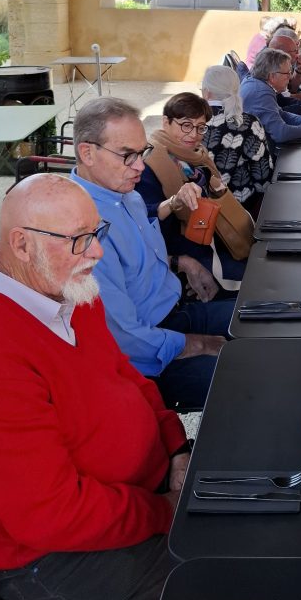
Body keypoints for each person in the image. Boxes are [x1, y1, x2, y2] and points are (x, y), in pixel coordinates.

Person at [0, 174, 188, 600]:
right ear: (22, 245)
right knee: (222, 578)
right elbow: (50, 514)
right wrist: (164, 511)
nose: (97, 252)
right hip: (57, 557)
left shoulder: (70, 290)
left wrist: (176, 446)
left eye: (96, 232)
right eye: (80, 239)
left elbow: (129, 378)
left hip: (137, 499)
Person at [72, 97, 232, 410]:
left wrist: (179, 261)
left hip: (177, 312)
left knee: (260, 322)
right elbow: (127, 340)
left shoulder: (125, 194)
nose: (140, 166)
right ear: (87, 153)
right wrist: (199, 343)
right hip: (149, 358)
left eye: (141, 152)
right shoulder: (82, 226)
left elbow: (138, 252)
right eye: (127, 155)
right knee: (246, 377)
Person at [135, 91, 248, 288]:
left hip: (217, 239)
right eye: (186, 125)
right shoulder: (148, 167)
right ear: (165, 122)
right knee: (255, 278)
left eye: (200, 127)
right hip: (189, 251)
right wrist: (172, 204)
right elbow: (145, 223)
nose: (194, 135)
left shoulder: (198, 158)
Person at [202, 64, 274, 215]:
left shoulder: (190, 123)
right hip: (239, 210)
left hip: (198, 208)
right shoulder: (248, 123)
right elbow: (263, 179)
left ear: (206, 93)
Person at [240, 47, 301, 154]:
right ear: (272, 76)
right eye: (287, 73)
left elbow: (281, 114)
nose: (290, 77)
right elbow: (280, 134)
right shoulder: (260, 93)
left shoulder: (257, 83)